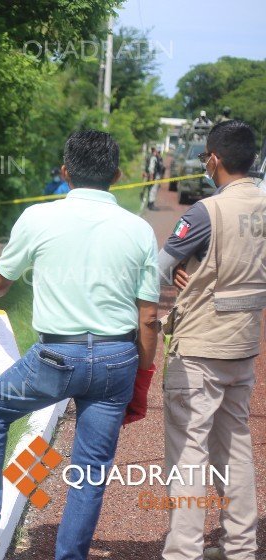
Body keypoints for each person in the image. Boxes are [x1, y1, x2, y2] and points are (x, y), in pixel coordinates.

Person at [0, 130, 160, 560]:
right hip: (116, 360)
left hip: (54, 357)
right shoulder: (139, 231)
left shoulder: (37, 218)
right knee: (90, 470)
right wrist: (141, 382)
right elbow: (149, 318)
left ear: (65, 173)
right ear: (118, 175)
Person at [156, 120, 264, 560]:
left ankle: (183, 552)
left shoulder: (205, 212)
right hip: (244, 346)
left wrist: (188, 272)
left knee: (189, 453)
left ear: (214, 159)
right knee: (236, 448)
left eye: (204, 158)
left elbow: (159, 267)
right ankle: (242, 547)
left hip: (200, 348)